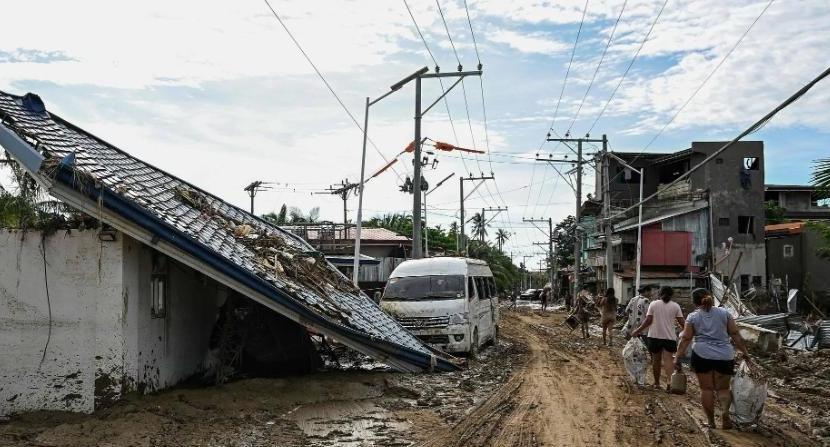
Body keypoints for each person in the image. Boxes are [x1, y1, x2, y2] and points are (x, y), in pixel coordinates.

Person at [675, 288, 750, 430]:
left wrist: (678, 357)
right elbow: (734, 333)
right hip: (725, 356)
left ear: (695, 301)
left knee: (706, 389)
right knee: (723, 389)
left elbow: (686, 338)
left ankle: (711, 422)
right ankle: (725, 412)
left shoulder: (692, 317)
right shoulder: (725, 313)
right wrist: (745, 352)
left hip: (702, 355)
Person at [631, 286, 684, 390]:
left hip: (654, 336)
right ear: (671, 295)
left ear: (660, 294)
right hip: (669, 337)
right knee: (668, 361)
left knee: (656, 360)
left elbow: (648, 321)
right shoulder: (676, 306)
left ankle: (656, 383)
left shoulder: (653, 304)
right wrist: (688, 333)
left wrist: (637, 330)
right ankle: (669, 384)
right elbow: (682, 322)